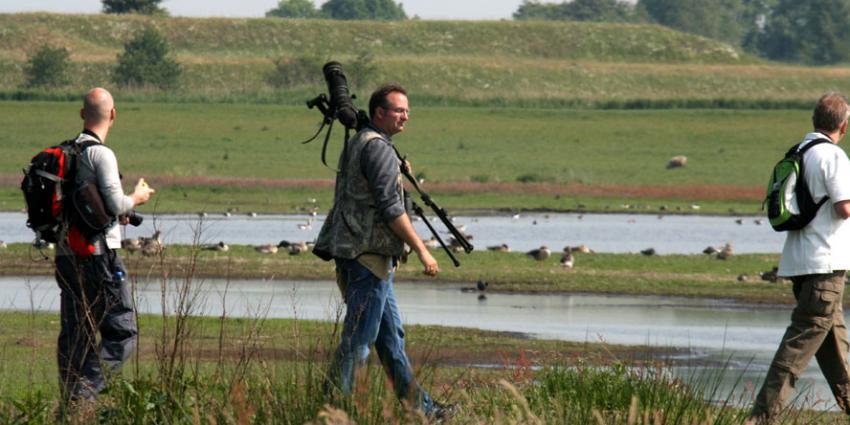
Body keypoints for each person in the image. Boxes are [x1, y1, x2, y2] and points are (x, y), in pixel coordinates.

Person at [314, 83, 453, 419]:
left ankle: (424, 411)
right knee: (359, 341)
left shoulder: (368, 143)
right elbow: (391, 208)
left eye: (407, 111)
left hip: (363, 256)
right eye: (398, 110)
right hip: (368, 259)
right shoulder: (377, 148)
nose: (405, 117)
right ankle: (330, 412)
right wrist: (423, 250)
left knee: (391, 342)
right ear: (379, 113)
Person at [749, 92, 850, 423]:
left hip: (800, 265)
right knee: (797, 348)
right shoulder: (833, 157)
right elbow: (844, 207)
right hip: (826, 267)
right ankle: (760, 418)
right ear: (843, 126)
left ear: (814, 121)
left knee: (835, 351)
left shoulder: (798, 152)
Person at [55, 88, 155, 409]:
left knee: (76, 335)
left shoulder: (66, 154)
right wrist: (137, 197)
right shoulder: (102, 154)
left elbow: (87, 207)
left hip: (66, 257)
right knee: (122, 332)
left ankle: (69, 407)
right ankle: (83, 396)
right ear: (113, 115)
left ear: (82, 114)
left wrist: (113, 215)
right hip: (99, 257)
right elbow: (115, 202)